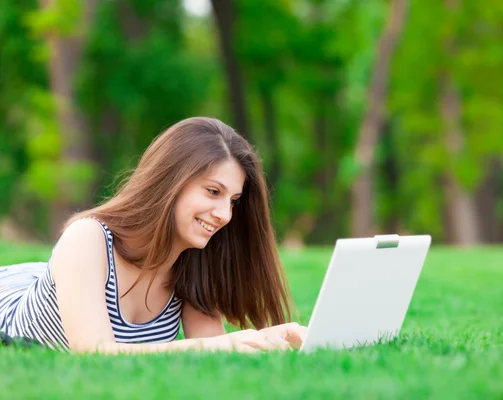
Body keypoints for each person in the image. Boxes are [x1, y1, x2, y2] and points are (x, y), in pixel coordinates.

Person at [0, 117, 308, 354]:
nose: (224, 215)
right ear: (170, 181)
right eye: (213, 191)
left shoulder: (193, 260)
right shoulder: (87, 238)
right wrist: (216, 346)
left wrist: (273, 336)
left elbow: (216, 352)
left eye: (233, 201)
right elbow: (93, 351)